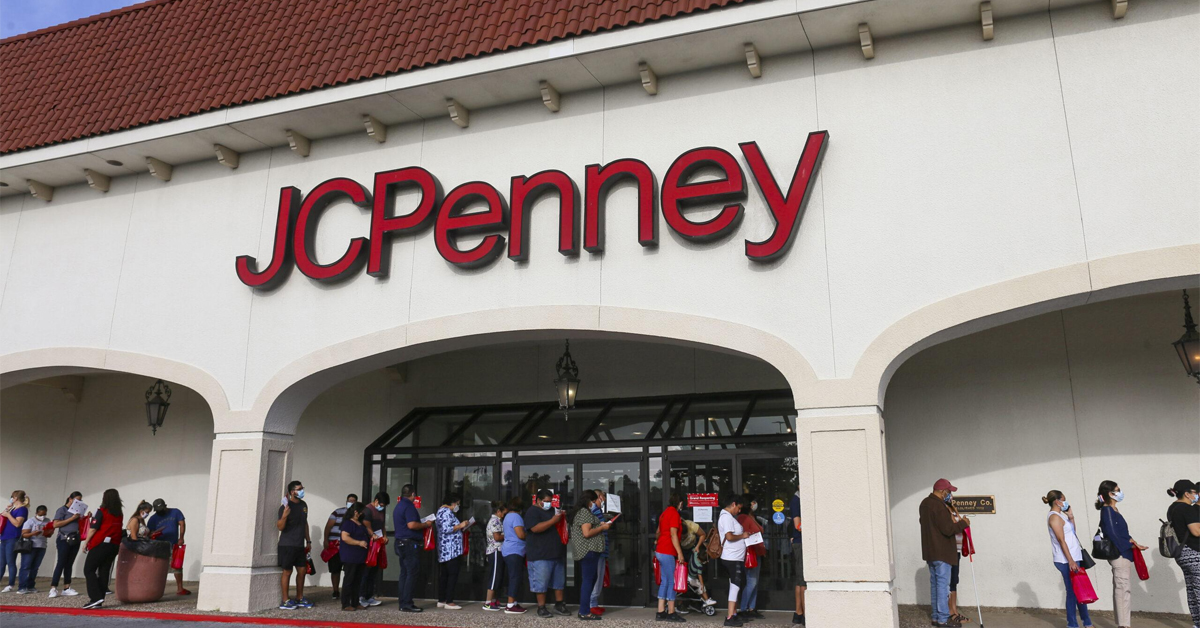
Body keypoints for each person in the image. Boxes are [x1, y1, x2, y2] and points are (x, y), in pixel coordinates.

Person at [1096, 480, 1147, 628]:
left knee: (1122, 588)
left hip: (1122, 553)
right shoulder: (1107, 510)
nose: (1120, 492)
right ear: (1110, 494)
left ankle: (1123, 623)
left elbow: (1122, 533)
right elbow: (1112, 533)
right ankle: (1124, 625)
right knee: (1123, 588)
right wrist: (1127, 546)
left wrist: (1134, 543)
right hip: (1119, 555)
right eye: (1117, 490)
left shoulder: (1113, 510)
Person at [920, 479, 970, 628]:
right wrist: (964, 523)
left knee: (935, 585)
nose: (950, 495)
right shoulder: (939, 506)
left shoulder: (924, 504)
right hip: (942, 551)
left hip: (930, 551)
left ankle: (936, 617)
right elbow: (948, 529)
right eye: (949, 492)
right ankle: (943, 619)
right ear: (943, 491)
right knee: (943, 586)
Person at [1043, 490, 1092, 628]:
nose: (1066, 502)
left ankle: (1087, 623)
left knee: (1079, 590)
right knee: (1072, 592)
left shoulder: (1061, 516)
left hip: (1075, 557)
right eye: (1064, 499)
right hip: (1065, 560)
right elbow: (1061, 540)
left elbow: (1072, 534)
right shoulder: (1054, 517)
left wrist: (1071, 517)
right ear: (1057, 501)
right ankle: (1073, 624)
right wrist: (1070, 560)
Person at [525, 489, 570, 618]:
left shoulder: (552, 511)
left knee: (559, 582)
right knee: (541, 583)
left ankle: (559, 604)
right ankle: (541, 607)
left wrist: (561, 517)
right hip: (540, 554)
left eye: (550, 501)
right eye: (546, 501)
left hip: (556, 552)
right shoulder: (532, 511)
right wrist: (553, 521)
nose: (548, 504)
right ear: (538, 500)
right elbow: (535, 528)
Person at [571, 490, 612, 621]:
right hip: (588, 551)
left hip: (591, 551)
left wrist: (599, 524)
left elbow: (588, 526)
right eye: (594, 501)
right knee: (588, 581)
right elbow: (587, 533)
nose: (595, 504)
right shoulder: (584, 512)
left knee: (591, 579)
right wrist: (602, 528)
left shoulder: (585, 513)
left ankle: (586, 609)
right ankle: (584, 611)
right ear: (589, 501)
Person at [393, 483, 432, 613]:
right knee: (411, 573)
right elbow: (411, 525)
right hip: (409, 543)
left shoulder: (399, 506)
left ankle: (403, 602)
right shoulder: (409, 506)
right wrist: (425, 524)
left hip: (400, 543)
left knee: (404, 573)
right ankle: (407, 603)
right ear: (413, 494)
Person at [82, 488, 123, 609]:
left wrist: (86, 543)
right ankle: (100, 598)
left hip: (100, 544)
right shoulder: (119, 513)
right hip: (114, 545)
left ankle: (95, 597)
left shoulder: (101, 511)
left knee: (89, 570)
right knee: (104, 570)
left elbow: (93, 528)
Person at [1166, 479, 1200, 627]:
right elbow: (1196, 531)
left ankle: (1197, 623)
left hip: (1182, 554)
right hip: (1194, 552)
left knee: (1193, 590)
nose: (1196, 495)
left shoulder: (1172, 508)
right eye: (1194, 492)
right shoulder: (1187, 508)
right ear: (1187, 493)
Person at [276, 480, 312, 610]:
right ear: (292, 492)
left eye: (302, 488)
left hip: (299, 545)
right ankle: (285, 600)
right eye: (299, 489)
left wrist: (308, 540)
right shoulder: (285, 507)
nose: (302, 491)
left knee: (302, 570)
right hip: (287, 544)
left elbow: (305, 523)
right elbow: (280, 527)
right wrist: (285, 516)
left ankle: (299, 598)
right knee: (287, 571)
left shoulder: (303, 505)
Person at [435, 492, 473, 610]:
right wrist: (461, 525)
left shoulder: (442, 512)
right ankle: (449, 600)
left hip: (446, 549)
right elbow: (447, 529)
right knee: (452, 574)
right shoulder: (446, 512)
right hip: (451, 549)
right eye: (458, 504)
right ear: (452, 503)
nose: (458, 506)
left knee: (445, 575)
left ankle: (442, 599)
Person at [654, 493, 686, 622]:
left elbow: (658, 532)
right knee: (671, 581)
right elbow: (673, 534)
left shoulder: (664, 513)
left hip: (660, 550)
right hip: (668, 551)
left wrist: (658, 541)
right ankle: (671, 612)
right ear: (680, 503)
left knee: (665, 581)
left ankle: (660, 611)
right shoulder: (674, 513)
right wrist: (680, 552)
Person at [717, 494, 748, 628]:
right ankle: (730, 616)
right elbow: (729, 536)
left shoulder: (727, 517)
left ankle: (733, 613)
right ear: (733, 504)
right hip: (732, 557)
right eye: (739, 508)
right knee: (735, 585)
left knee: (734, 584)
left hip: (734, 556)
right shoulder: (727, 518)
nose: (739, 511)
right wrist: (743, 535)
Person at [147, 498, 189, 595]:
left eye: (161, 510)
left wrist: (181, 537)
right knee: (159, 567)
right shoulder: (153, 518)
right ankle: (156, 588)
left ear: (165, 506)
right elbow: (149, 532)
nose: (160, 512)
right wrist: (154, 534)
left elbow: (182, 523)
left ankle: (180, 588)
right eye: (158, 511)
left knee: (177, 566)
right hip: (160, 545)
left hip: (174, 544)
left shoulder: (175, 512)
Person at [49, 491, 85, 598]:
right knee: (61, 562)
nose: (78, 502)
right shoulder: (62, 510)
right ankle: (53, 587)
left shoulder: (78, 511)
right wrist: (71, 518)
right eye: (76, 500)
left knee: (69, 563)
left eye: (80, 500)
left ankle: (67, 587)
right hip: (64, 539)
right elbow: (55, 524)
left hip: (75, 538)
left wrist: (84, 517)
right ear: (70, 499)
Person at [737, 494, 766, 621]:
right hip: (750, 554)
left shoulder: (749, 517)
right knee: (751, 581)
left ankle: (751, 608)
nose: (755, 505)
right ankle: (743, 608)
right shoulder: (743, 518)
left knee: (754, 582)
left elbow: (760, 529)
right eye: (753, 503)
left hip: (756, 553)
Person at [337, 502, 370, 612]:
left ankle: (355, 602)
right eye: (361, 511)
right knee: (349, 580)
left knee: (357, 580)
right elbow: (345, 537)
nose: (363, 513)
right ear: (356, 512)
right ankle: (345, 603)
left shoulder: (360, 523)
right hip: (350, 556)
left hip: (360, 556)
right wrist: (359, 543)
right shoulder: (348, 523)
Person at [323, 493, 356, 600]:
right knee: (335, 569)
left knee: (349, 570)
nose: (351, 503)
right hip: (335, 546)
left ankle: (348, 591)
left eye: (353, 501)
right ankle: (335, 591)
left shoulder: (358, 514)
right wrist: (325, 540)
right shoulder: (338, 512)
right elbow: (328, 527)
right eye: (349, 501)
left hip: (349, 546)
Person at [359, 492, 388, 608]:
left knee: (373, 571)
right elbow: (367, 526)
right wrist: (373, 536)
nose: (382, 507)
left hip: (377, 544)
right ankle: (361, 596)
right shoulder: (368, 510)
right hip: (369, 544)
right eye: (381, 504)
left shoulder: (380, 511)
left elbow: (382, 526)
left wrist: (384, 536)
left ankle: (369, 596)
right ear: (375, 501)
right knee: (365, 571)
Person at [501, 496, 528, 614]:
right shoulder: (516, 517)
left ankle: (514, 602)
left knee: (514, 576)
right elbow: (520, 534)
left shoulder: (507, 516)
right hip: (515, 550)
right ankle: (510, 604)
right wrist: (530, 534)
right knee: (515, 577)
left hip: (508, 550)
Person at [946, 498, 968, 625]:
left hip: (957, 550)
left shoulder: (953, 509)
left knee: (954, 580)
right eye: (949, 494)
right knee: (950, 581)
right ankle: (951, 612)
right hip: (950, 550)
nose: (952, 498)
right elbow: (953, 526)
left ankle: (954, 610)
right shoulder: (945, 510)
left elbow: (960, 523)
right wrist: (962, 522)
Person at [18, 505, 49, 594]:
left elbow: (49, 533)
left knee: (35, 567)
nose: (42, 516)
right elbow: (24, 534)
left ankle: (31, 585)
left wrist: (48, 532)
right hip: (30, 546)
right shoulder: (30, 521)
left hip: (42, 546)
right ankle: (22, 587)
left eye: (44, 514)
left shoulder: (47, 521)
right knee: (26, 566)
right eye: (41, 514)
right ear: (36, 513)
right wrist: (33, 533)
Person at [483, 500, 509, 611]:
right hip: (495, 551)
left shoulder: (498, 520)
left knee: (498, 576)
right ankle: (488, 602)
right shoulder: (495, 521)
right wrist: (509, 534)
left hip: (498, 551)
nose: (504, 515)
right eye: (504, 513)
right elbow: (497, 537)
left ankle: (494, 601)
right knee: (494, 576)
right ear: (498, 511)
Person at [787, 490, 807, 626]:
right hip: (800, 543)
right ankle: (804, 614)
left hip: (799, 542)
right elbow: (797, 525)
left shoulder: (798, 500)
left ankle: (799, 613)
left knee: (800, 581)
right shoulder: (796, 501)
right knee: (803, 581)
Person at [589, 489, 609, 616]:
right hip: (597, 550)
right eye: (603, 497)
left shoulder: (596, 511)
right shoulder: (594, 511)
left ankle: (594, 603)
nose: (605, 500)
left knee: (599, 576)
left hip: (601, 549)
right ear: (599, 497)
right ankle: (592, 604)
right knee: (596, 577)